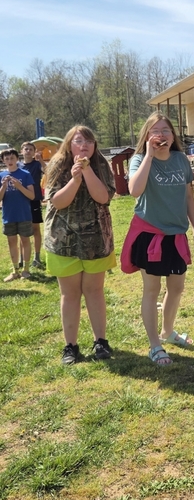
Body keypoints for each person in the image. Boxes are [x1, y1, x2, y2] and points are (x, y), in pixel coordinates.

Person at [121, 113, 194, 367]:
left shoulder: (181, 159)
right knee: (152, 289)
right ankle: (155, 346)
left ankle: (168, 332)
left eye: (166, 130)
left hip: (176, 235)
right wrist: (148, 155)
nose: (161, 135)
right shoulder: (138, 159)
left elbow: (189, 196)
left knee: (177, 288)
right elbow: (134, 190)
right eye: (155, 131)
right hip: (150, 234)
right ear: (147, 136)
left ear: (173, 135)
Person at [44, 126, 116, 364]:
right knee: (70, 294)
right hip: (63, 242)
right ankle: (71, 346)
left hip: (96, 240)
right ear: (69, 144)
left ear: (94, 146)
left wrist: (87, 172)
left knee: (95, 292)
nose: (84, 145)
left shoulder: (101, 164)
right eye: (78, 141)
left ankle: (100, 342)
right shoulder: (58, 164)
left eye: (89, 141)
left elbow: (103, 197)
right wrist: (74, 179)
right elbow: (57, 201)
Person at [0, 148, 34, 282]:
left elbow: (32, 196)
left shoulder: (25, 174)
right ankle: (15, 271)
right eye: (6, 159)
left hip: (24, 214)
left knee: (25, 241)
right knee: (11, 242)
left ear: (17, 159)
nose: (9, 161)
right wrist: (3, 186)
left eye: (12, 158)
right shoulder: (1, 175)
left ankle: (26, 270)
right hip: (9, 215)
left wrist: (19, 186)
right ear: (3, 161)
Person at [21, 141, 46, 268]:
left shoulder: (37, 165)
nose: (28, 151)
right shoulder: (18, 166)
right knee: (22, 230)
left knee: (35, 229)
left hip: (35, 200)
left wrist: (41, 160)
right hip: (21, 201)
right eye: (26, 149)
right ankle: (21, 258)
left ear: (34, 151)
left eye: (31, 149)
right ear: (22, 151)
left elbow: (48, 171)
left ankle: (37, 258)